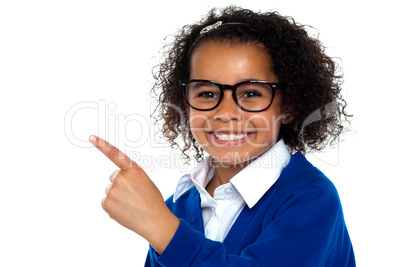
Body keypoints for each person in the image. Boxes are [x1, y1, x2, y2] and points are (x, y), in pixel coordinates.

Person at [89, 6, 355, 266]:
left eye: (251, 93)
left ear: (289, 105)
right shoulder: (177, 205)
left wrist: (160, 226)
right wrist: (160, 222)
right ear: (185, 104)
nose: (226, 112)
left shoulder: (311, 198)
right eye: (206, 93)